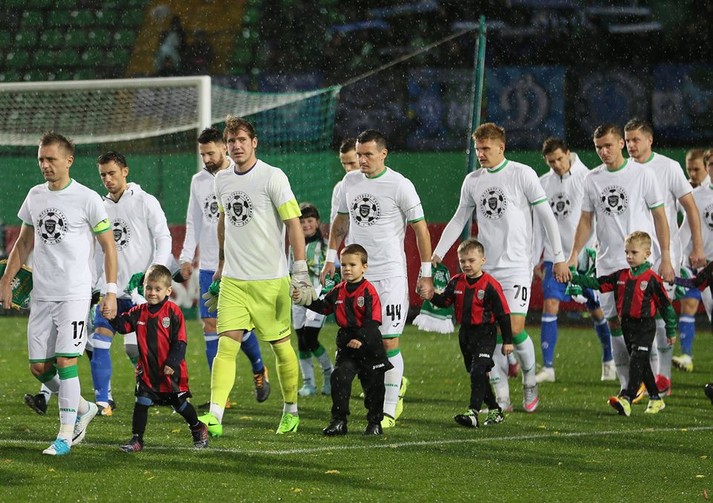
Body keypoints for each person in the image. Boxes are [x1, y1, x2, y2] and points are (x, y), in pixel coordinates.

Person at [433, 122, 568, 413]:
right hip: (486, 269)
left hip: (517, 266)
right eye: (477, 149)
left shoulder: (522, 174)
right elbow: (459, 218)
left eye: (486, 148)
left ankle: (530, 381)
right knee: (488, 333)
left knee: (515, 329)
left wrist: (558, 256)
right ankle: (502, 396)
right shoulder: (472, 180)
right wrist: (438, 253)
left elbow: (546, 216)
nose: (480, 154)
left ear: (501, 147)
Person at [0, 132, 118, 456]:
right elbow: (24, 242)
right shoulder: (35, 196)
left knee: (66, 361)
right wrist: (6, 280)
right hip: (42, 294)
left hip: (75, 294)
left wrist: (109, 291)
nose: (45, 165)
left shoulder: (87, 198)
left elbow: (109, 247)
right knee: (39, 368)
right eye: (41, 159)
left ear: (69, 160)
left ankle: (65, 435)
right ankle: (83, 407)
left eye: (51, 159)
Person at [198, 116, 306, 436]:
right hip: (234, 280)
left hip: (270, 281)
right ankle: (215, 415)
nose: (237, 146)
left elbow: (294, 224)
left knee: (281, 348)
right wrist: (221, 264)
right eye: (231, 141)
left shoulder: (273, 176)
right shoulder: (221, 180)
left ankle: (291, 410)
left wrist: (300, 270)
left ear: (254, 142)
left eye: (242, 140)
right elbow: (224, 221)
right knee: (226, 346)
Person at [321, 129, 435, 429]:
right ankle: (384, 391)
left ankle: (389, 410)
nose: (362, 160)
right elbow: (340, 221)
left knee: (388, 340)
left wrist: (426, 274)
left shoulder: (400, 185)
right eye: (359, 154)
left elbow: (421, 230)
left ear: (383, 154)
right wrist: (330, 258)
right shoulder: (349, 182)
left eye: (368, 154)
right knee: (361, 342)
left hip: (390, 276)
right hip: (359, 279)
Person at [567, 123, 673, 398]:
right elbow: (586, 220)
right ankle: (627, 385)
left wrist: (666, 256)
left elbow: (660, 216)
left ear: (621, 144)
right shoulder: (592, 179)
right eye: (598, 147)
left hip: (638, 265)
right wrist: (573, 254)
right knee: (614, 323)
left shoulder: (643, 174)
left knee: (643, 325)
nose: (603, 151)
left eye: (608, 145)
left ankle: (651, 386)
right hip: (608, 264)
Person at [178, 127, 270, 407]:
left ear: (224, 148)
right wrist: (186, 257)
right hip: (208, 265)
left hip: (240, 263)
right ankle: (221, 396)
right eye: (202, 154)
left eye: (210, 153)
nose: (206, 159)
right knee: (210, 325)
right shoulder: (198, 181)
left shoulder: (241, 175)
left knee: (238, 327)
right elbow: (194, 220)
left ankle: (259, 367)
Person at [84, 151, 173, 417]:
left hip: (141, 295)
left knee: (140, 350)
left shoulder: (145, 201)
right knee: (100, 340)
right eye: (103, 175)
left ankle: (160, 389)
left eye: (112, 173)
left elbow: (164, 238)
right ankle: (104, 400)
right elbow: (97, 251)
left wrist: (154, 274)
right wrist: (95, 285)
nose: (107, 179)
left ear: (125, 171)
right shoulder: (99, 207)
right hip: (111, 292)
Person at [624, 119, 704, 398]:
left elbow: (690, 208)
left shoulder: (668, 167)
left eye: (635, 140)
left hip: (663, 254)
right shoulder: (624, 170)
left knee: (659, 312)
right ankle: (644, 378)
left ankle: (663, 377)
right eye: (627, 140)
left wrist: (695, 247)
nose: (631, 145)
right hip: (634, 254)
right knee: (637, 317)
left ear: (649, 140)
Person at [532, 137, 615, 383]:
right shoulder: (542, 183)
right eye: (551, 162)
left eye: (560, 158)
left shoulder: (587, 178)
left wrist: (597, 252)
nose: (557, 165)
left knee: (597, 310)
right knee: (550, 305)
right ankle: (548, 367)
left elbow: (596, 218)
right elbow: (539, 226)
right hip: (555, 258)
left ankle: (609, 360)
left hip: (585, 257)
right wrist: (536, 259)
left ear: (568, 153)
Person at [570, 231, 676, 416]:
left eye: (634, 252)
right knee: (642, 364)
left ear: (647, 254)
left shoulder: (651, 279)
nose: (629, 256)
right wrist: (574, 277)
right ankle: (656, 398)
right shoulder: (620, 276)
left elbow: (666, 307)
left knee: (636, 361)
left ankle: (627, 398)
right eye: (627, 252)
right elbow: (597, 283)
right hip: (627, 326)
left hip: (645, 327)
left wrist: (671, 330)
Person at [107, 264, 208, 452]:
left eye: (157, 289)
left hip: (170, 371)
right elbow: (123, 327)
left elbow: (180, 342)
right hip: (147, 370)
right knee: (142, 402)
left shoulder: (173, 312)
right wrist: (111, 317)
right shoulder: (139, 311)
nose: (152, 293)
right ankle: (137, 439)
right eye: (149, 288)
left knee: (180, 404)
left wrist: (172, 362)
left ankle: (197, 427)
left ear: (168, 291)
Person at [296, 244, 392, 435]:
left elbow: (373, 321)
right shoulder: (338, 290)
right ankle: (339, 421)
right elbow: (324, 307)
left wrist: (361, 339)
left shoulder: (369, 291)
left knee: (374, 387)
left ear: (364, 267)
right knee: (339, 378)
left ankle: (374, 423)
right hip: (347, 344)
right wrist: (304, 299)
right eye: (344, 265)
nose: (347, 269)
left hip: (369, 345)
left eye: (352, 265)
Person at [421, 239, 513, 428]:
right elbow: (445, 302)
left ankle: (473, 413)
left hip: (485, 333)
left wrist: (507, 341)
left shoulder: (490, 285)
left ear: (483, 260)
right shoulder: (456, 282)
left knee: (478, 371)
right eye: (463, 261)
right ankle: (495, 409)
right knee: (477, 374)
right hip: (465, 335)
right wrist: (431, 296)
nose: (467, 264)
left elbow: (503, 315)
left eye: (471, 260)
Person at [290, 203, 334, 397]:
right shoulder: (293, 245)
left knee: (310, 337)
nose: (306, 225)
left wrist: (327, 293)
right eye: (302, 222)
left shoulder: (325, 247)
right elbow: (290, 270)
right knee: (301, 341)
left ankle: (329, 373)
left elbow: (332, 273)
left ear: (317, 223)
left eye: (310, 220)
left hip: (317, 297)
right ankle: (309, 384)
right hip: (298, 298)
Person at [676, 149, 713, 372]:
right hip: (702, 267)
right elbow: (684, 230)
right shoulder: (696, 196)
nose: (692, 173)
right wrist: (676, 260)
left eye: (696, 168)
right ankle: (686, 355)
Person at [330, 137, 360, 226]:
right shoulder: (339, 188)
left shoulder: (381, 184)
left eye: (351, 163)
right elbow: (335, 224)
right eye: (344, 164)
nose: (348, 168)